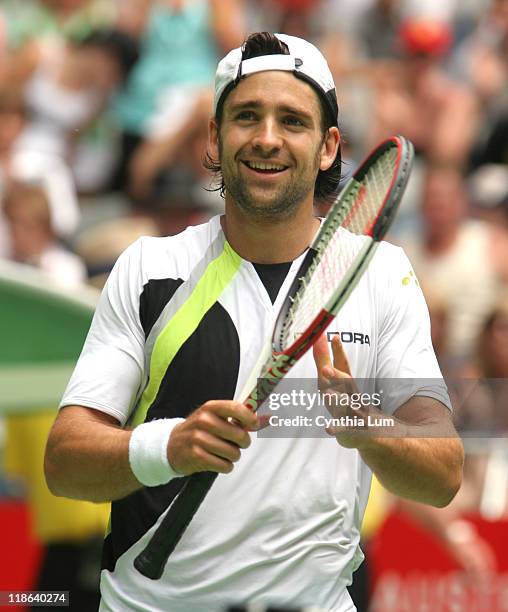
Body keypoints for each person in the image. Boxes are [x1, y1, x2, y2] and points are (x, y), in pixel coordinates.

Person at [44, 32, 464, 611]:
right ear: (215, 137)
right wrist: (170, 445)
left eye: (292, 120)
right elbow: (65, 462)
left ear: (327, 145)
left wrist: (364, 423)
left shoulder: (381, 272)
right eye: (247, 116)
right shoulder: (149, 267)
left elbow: (443, 474)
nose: (267, 138)